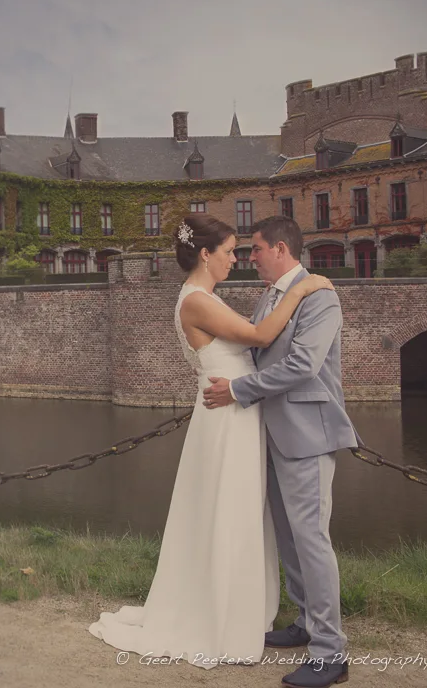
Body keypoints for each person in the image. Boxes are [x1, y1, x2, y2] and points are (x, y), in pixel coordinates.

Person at [87, 214, 335, 673]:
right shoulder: (198, 301)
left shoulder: (206, 299)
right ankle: (223, 618)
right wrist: (300, 289)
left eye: (244, 251)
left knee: (237, 514)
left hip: (236, 417)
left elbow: (260, 350)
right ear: (206, 254)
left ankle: (247, 614)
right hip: (227, 420)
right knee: (228, 514)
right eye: (230, 252)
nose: (237, 259)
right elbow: (261, 337)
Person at [201, 215, 359, 688]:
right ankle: (307, 622)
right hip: (269, 433)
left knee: (311, 539)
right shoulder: (268, 296)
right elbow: (258, 346)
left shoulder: (321, 296)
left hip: (307, 433)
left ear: (282, 249)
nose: (250, 258)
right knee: (288, 538)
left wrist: (240, 389)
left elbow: (304, 364)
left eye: (256, 249)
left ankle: (331, 652)